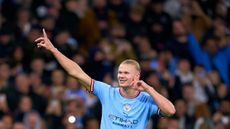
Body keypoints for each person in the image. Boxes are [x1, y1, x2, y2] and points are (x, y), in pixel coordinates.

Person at [35, 29, 176, 129]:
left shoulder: (146, 99)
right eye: (120, 72)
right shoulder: (107, 92)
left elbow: (170, 111)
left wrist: (149, 89)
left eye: (126, 73)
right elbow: (76, 72)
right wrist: (54, 50)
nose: (121, 76)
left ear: (136, 76)